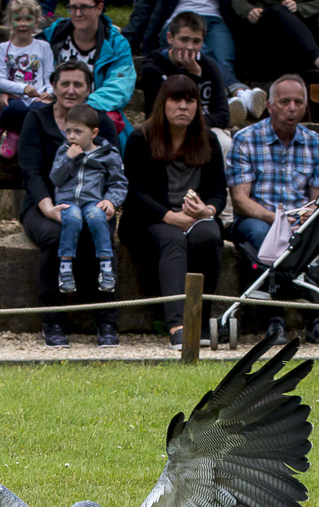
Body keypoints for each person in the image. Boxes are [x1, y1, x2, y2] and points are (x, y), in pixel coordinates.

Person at [17, 59, 121, 347]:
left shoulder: (100, 123)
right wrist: (48, 207)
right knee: (55, 235)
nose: (71, 90)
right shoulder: (37, 119)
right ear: (53, 86)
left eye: (78, 84)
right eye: (65, 83)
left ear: (89, 89)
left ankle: (106, 320)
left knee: (101, 232)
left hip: (92, 201)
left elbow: (115, 172)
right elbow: (31, 172)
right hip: (44, 204)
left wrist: (110, 202)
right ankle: (53, 320)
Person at [121, 73, 226, 349]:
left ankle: (200, 322)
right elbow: (135, 192)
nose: (183, 107)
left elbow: (218, 190)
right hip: (149, 220)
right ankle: (178, 326)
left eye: (190, 100)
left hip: (194, 217)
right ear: (162, 104)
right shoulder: (140, 139)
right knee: (173, 238)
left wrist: (207, 210)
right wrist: (170, 217)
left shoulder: (208, 140)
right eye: (176, 99)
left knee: (210, 236)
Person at [226, 74, 319, 344]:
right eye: (284, 102)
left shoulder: (316, 143)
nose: (292, 107)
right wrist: (277, 219)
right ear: (270, 106)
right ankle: (275, 316)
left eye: (298, 102)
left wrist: (301, 220)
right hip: (257, 217)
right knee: (265, 235)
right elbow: (240, 199)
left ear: (306, 107)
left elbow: (317, 201)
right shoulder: (246, 139)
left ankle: (316, 316)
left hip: (301, 220)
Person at [50, 102, 126, 293]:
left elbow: (119, 182)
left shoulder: (108, 154)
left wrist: (111, 200)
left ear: (93, 133)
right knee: (73, 217)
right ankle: (65, 268)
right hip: (67, 200)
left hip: (93, 200)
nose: (72, 136)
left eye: (78, 131)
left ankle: (106, 266)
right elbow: (56, 178)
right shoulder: (64, 151)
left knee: (97, 216)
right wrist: (69, 158)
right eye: (68, 131)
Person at [42, 0, 135, 130]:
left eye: (84, 7)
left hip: (93, 109)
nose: (78, 13)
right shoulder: (52, 34)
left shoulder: (116, 43)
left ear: (99, 8)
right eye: (73, 8)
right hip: (53, 104)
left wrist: (82, 105)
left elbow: (120, 86)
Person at [137, 12, 230, 142]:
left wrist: (195, 72)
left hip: (202, 128)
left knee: (224, 142)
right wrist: (193, 77)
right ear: (170, 38)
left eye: (196, 41)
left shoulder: (208, 66)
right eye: (184, 40)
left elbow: (223, 116)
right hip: (165, 132)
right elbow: (159, 115)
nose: (190, 47)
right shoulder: (154, 68)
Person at [0, 0, 53, 159]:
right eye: (18, 19)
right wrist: (22, 89)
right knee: (16, 108)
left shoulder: (43, 47)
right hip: (15, 98)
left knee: (36, 112)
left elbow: (50, 77)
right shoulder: (3, 48)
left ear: (36, 22)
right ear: (10, 22)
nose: (23, 24)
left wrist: (48, 93)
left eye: (28, 19)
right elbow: (0, 80)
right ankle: (0, 124)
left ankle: (14, 133)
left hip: (37, 97)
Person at [231, 0, 319, 93]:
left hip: (300, 43)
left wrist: (298, 7)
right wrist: (248, 10)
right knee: (276, 10)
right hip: (267, 39)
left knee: (280, 11)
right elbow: (237, 1)